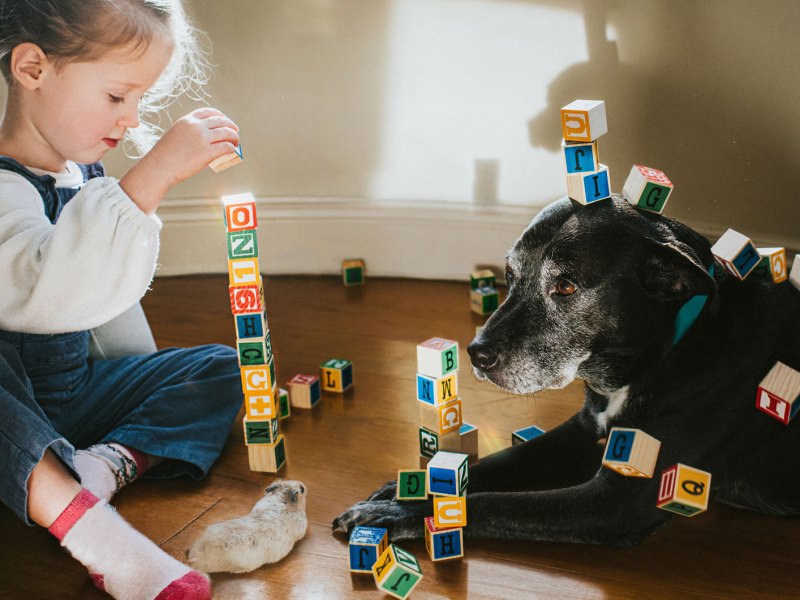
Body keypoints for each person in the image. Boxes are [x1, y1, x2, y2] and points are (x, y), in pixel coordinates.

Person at [0, 1, 244, 598]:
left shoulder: (83, 176)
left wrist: (146, 379)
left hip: (77, 394)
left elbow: (106, 306)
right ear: (33, 68)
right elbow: (41, 292)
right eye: (116, 97)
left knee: (219, 367)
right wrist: (149, 179)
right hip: (14, 408)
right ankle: (94, 533)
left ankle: (99, 467)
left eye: (140, 100)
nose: (132, 119)